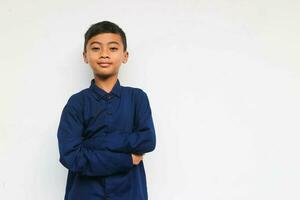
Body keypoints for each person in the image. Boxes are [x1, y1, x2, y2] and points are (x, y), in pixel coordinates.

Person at [57, 21, 156, 200]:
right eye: (95, 48)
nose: (104, 54)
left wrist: (94, 142)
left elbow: (147, 140)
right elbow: (70, 156)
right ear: (85, 56)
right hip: (84, 193)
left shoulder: (137, 98)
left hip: (130, 192)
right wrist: (125, 159)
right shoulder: (77, 103)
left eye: (112, 48)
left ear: (125, 56)